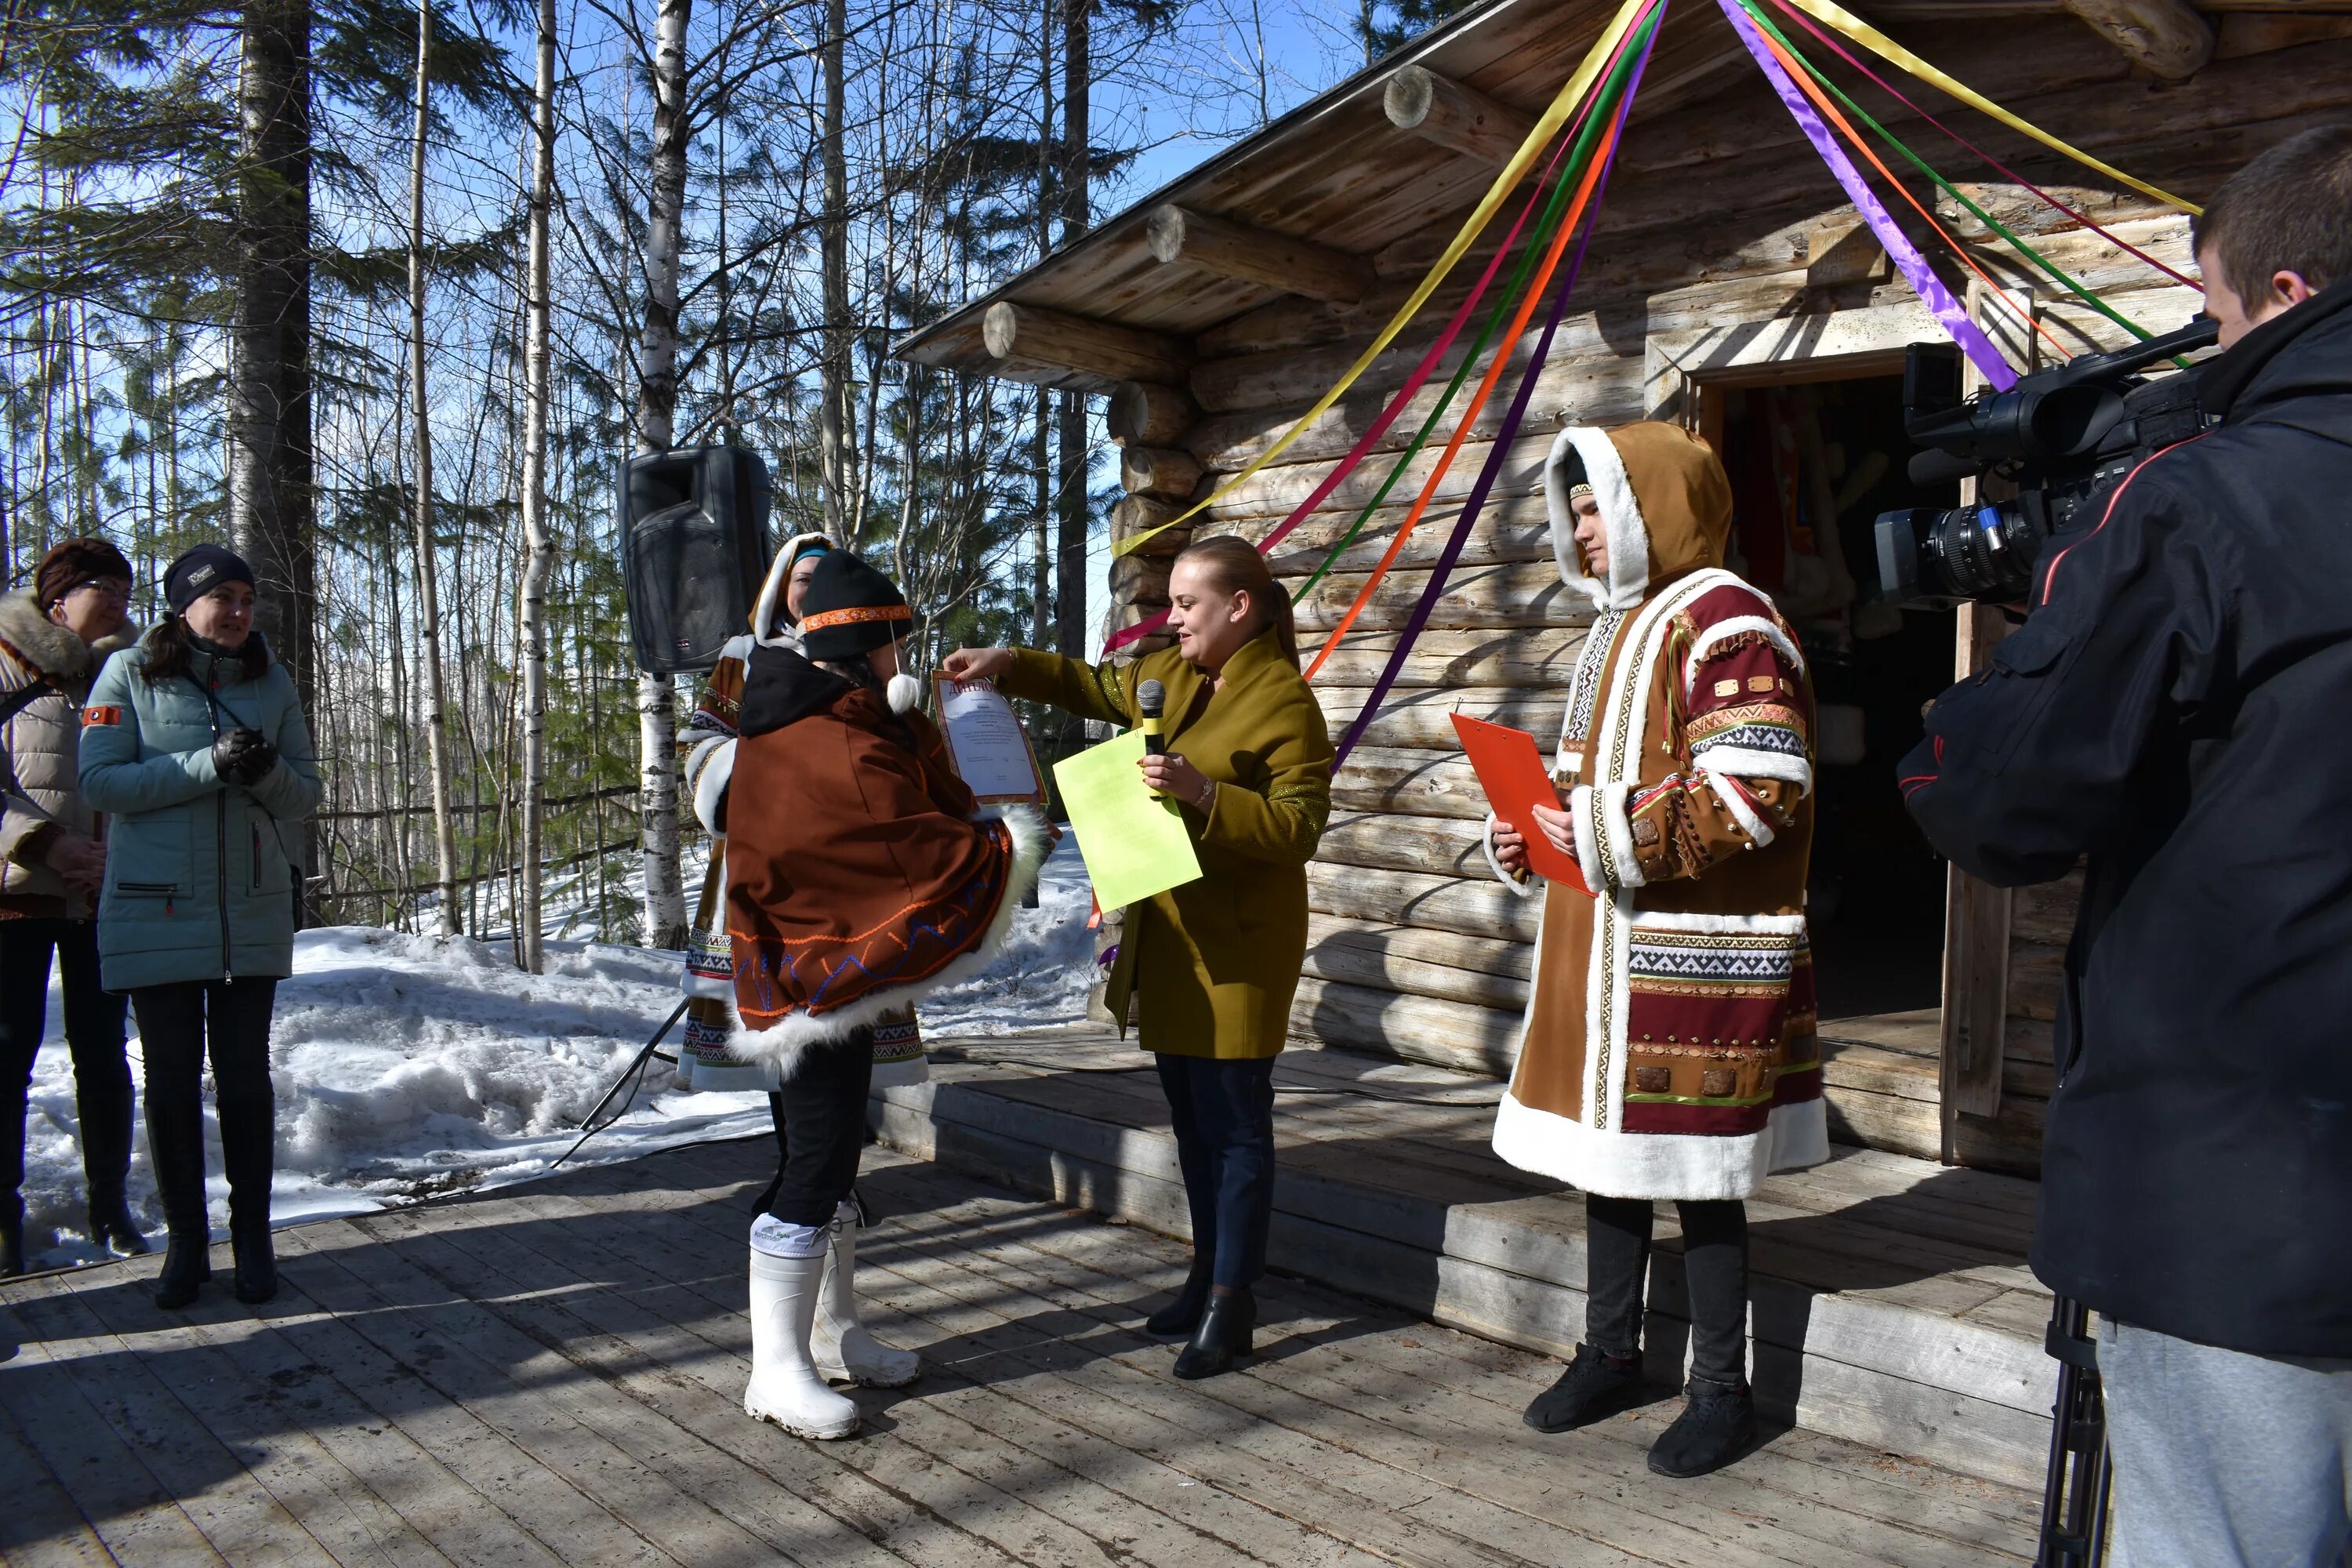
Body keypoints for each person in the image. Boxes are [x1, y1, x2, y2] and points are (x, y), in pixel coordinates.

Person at [1899, 128, 2352, 1566]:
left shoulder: (2209, 499)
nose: (2203, 348)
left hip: (2242, 1189)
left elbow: (1998, 804)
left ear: (2283, 294)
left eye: (2210, 317)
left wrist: (2043, 622)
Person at [1484, 420, 1826, 1479]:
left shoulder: (1727, 619)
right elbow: (1604, 787)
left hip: (1689, 952)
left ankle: (1724, 1388)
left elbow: (1757, 785)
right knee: (1612, 1167)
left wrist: (1587, 829)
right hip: (1604, 949)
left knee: (1704, 1177)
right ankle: (1611, 1349)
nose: (1584, 531)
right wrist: (1531, 832)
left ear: (1658, 508)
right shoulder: (1621, 626)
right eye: (1575, 510)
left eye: (1603, 509)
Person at [946, 534, 1335, 1380]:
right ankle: (1206, 1273)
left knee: (1236, 1127)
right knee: (1193, 1123)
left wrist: (1204, 793)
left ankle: (1235, 1302)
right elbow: (1094, 683)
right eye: (1170, 603)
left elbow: (1297, 829)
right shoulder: (1178, 676)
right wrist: (1008, 661)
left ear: (1239, 607)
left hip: (1238, 946)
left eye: (1188, 603)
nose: (1172, 617)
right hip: (1171, 937)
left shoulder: (1288, 704)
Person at [717, 549, 1047, 1439]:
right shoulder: (826, 733)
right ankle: (775, 1369)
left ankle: (833, 1332)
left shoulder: (826, 713)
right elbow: (906, 849)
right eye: (895, 647)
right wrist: (1009, 846)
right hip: (812, 978)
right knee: (814, 1161)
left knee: (837, 1157)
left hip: (829, 975)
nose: (904, 663)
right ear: (864, 647)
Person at [80, 543, 320, 1309]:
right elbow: (100, 780)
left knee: (247, 1079)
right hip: (157, 908)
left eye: (249, 599)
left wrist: (263, 772)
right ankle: (187, 1242)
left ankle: (253, 1235)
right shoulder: (125, 673)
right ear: (184, 603)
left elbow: (302, 795)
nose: (241, 612)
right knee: (172, 1081)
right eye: (225, 597)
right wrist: (204, 764)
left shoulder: (271, 679)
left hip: (248, 907)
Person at [0, 538, 144, 1273]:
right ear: (58, 599)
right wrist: (43, 844)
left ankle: (110, 1204)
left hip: (98, 900)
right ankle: (3, 1219)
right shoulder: (1, 661)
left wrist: (122, 852)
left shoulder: (125, 676)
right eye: (102, 586)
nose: (119, 599)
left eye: (125, 587)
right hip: (13, 896)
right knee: (6, 1058)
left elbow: (141, 776)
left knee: (104, 1055)